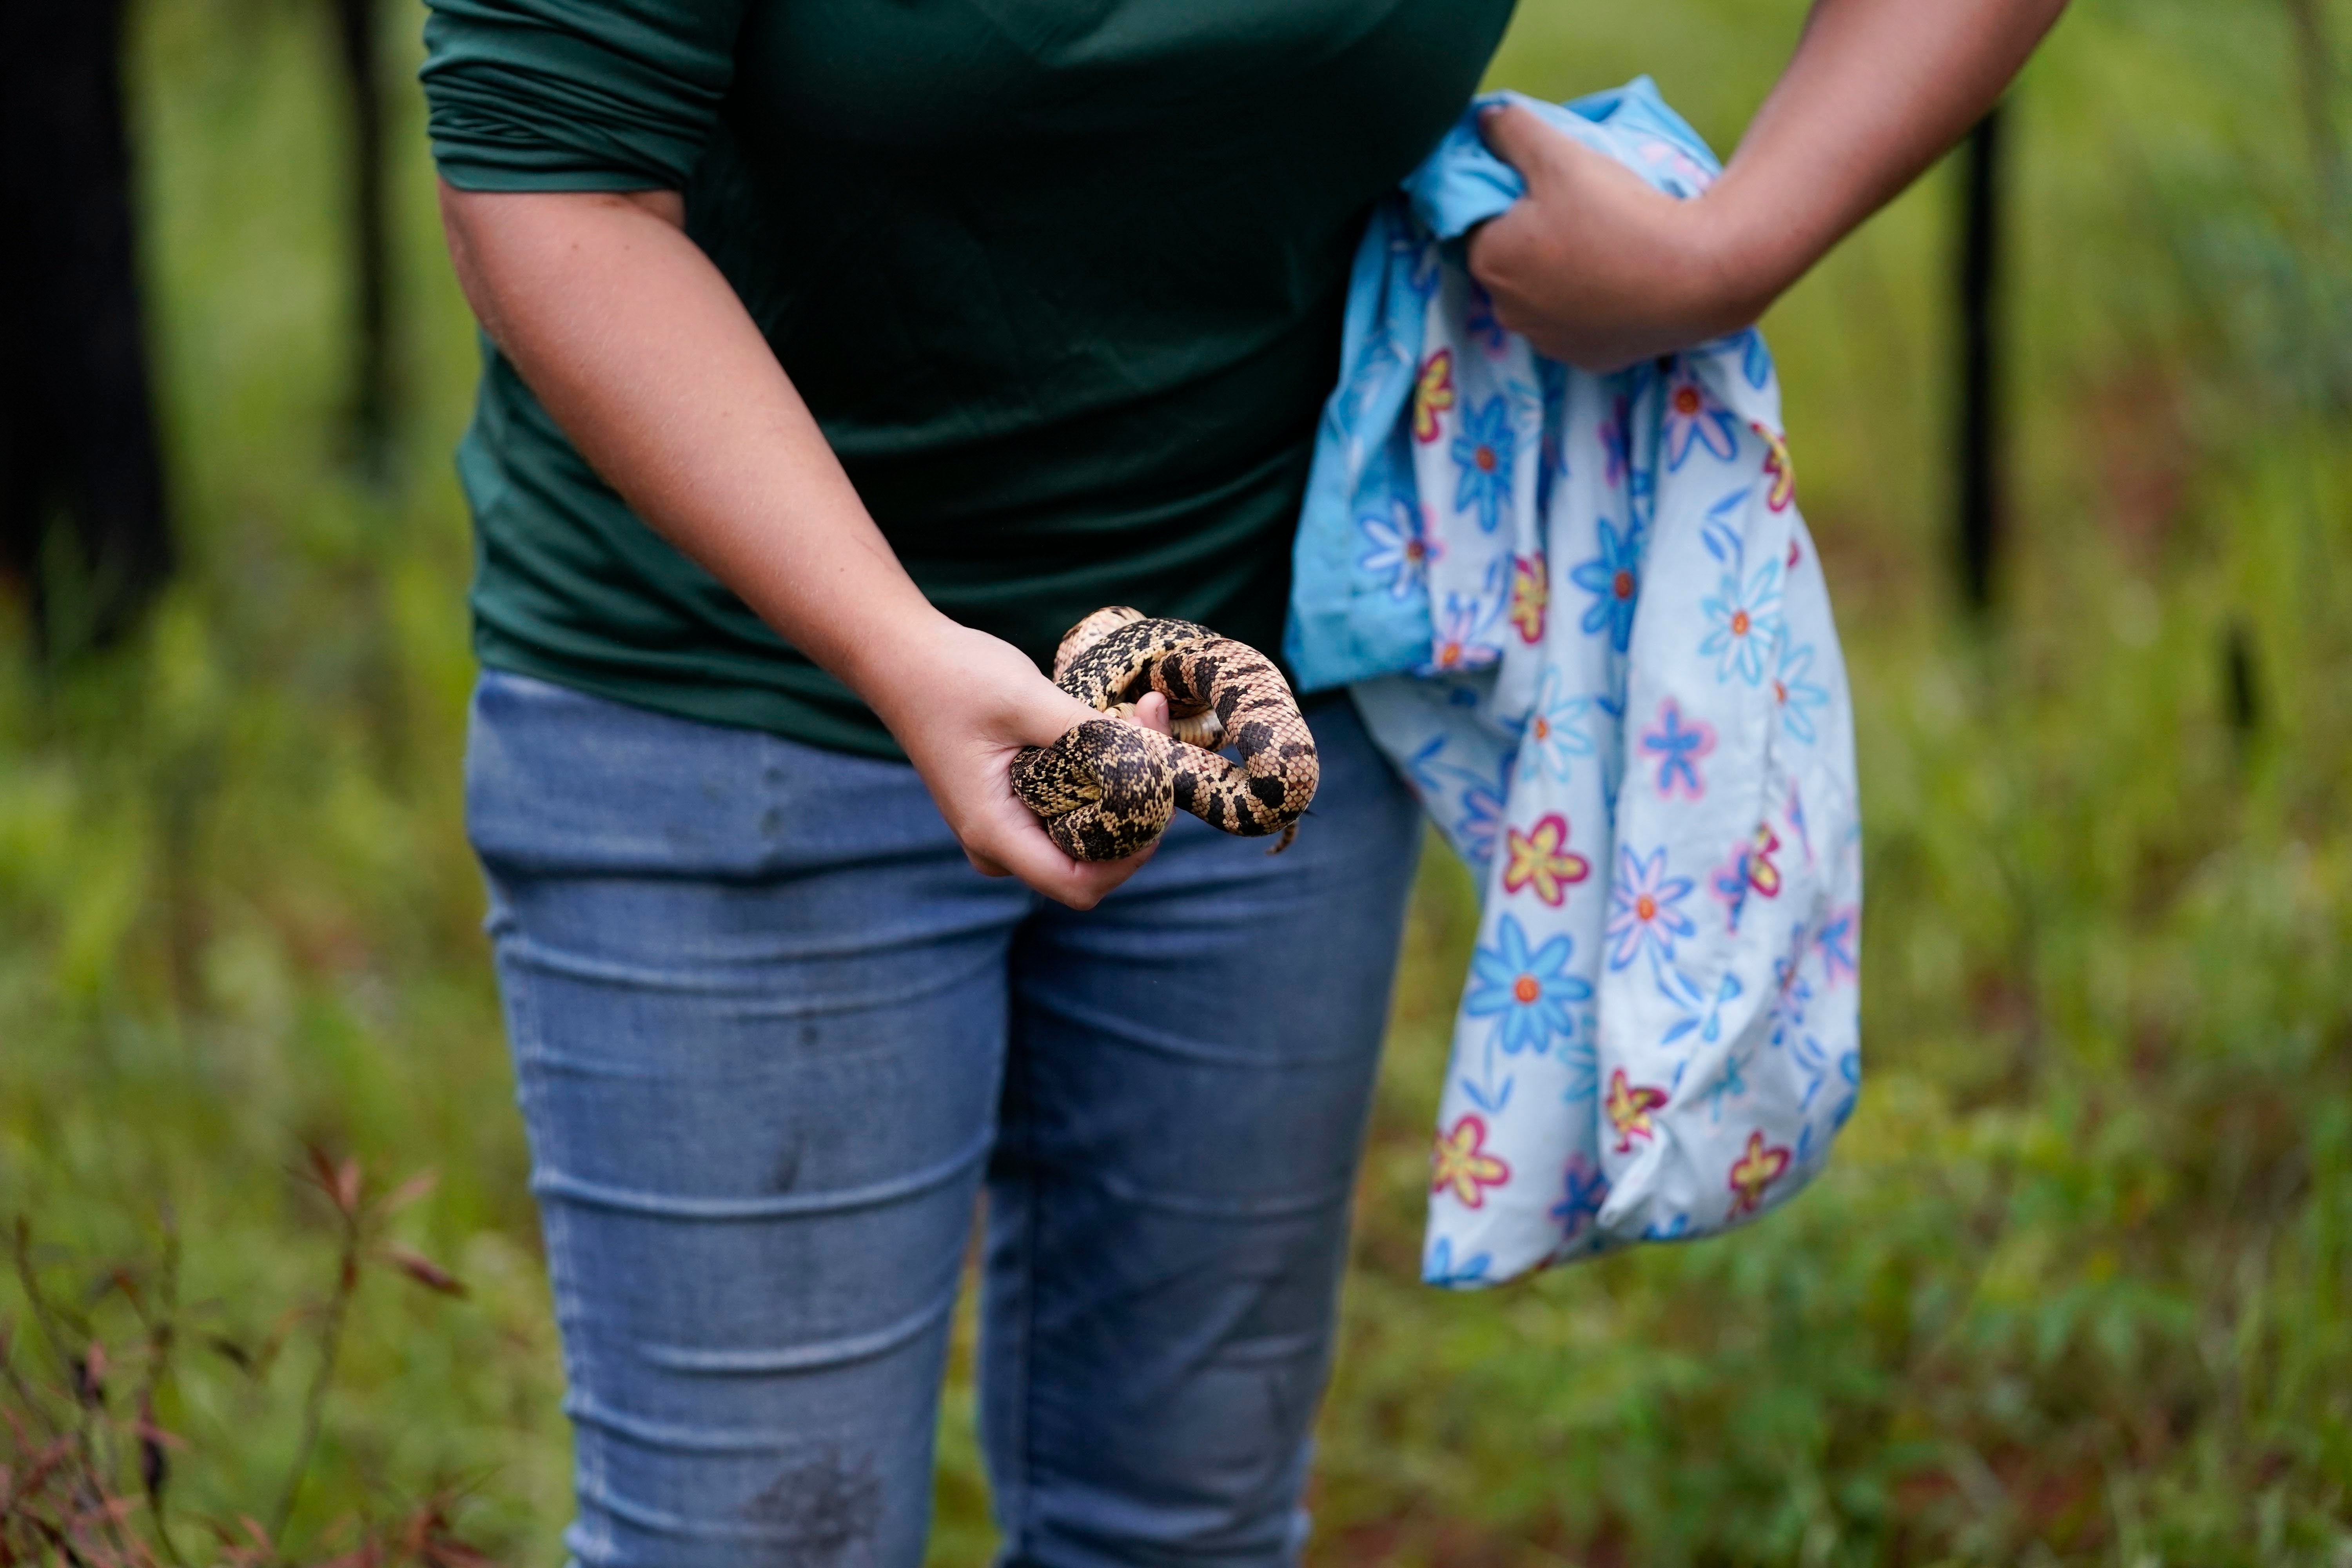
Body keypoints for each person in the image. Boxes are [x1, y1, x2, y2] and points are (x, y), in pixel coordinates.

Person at [420, 1, 2065, 1562]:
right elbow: (557, 189)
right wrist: (895, 646)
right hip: (736, 702)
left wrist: (1729, 248)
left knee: (1183, 1525)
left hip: (1255, 667)